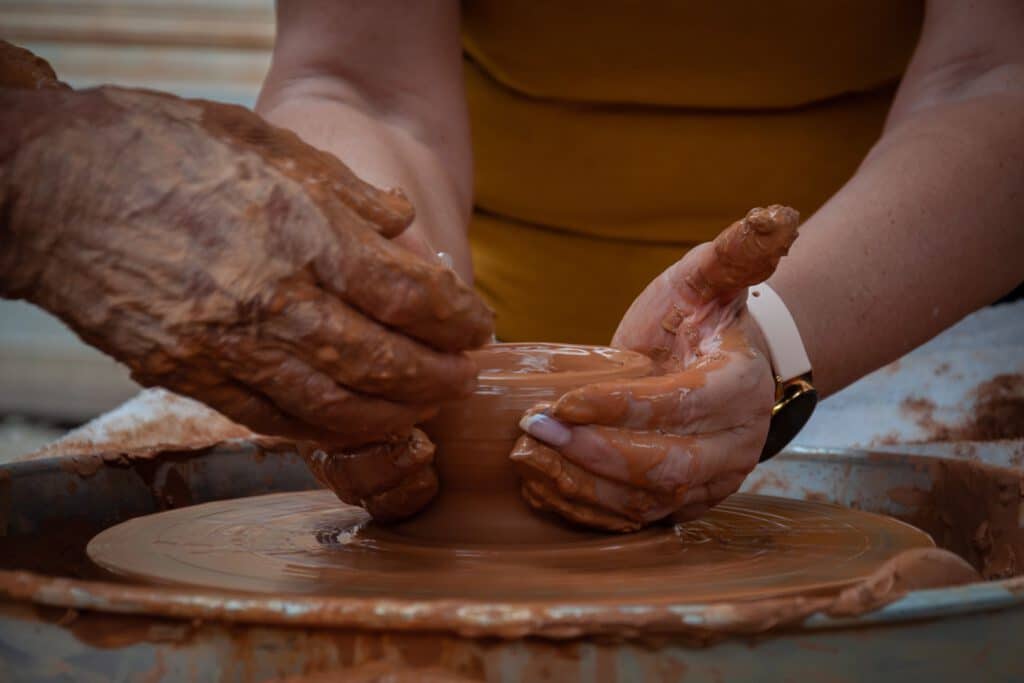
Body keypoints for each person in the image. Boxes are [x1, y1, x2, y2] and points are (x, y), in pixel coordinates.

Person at [1, 1, 1022, 530]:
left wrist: (776, 343)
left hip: (879, 307)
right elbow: (359, 81)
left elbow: (993, 75)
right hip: (479, 321)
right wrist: (380, 300)